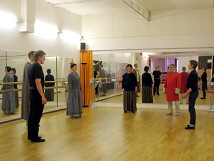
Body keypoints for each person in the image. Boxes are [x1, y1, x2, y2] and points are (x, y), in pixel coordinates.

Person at [28, 50, 47, 142]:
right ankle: (34, 136)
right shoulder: (38, 66)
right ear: (39, 57)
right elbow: (38, 82)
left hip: (32, 92)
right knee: (36, 115)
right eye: (44, 57)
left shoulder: (31, 66)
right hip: (36, 93)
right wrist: (42, 96)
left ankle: (31, 135)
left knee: (32, 115)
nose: (45, 59)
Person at [182, 60, 199, 130]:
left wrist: (186, 93)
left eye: (189, 64)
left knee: (191, 108)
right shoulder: (193, 73)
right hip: (193, 92)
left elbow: (191, 87)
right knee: (191, 108)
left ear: (192, 65)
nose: (188, 65)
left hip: (193, 93)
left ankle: (192, 125)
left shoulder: (193, 74)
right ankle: (192, 124)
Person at [21, 51, 35, 122]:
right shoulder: (28, 66)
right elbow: (28, 79)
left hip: (31, 89)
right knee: (29, 105)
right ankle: (28, 121)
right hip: (29, 89)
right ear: (31, 56)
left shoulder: (31, 65)